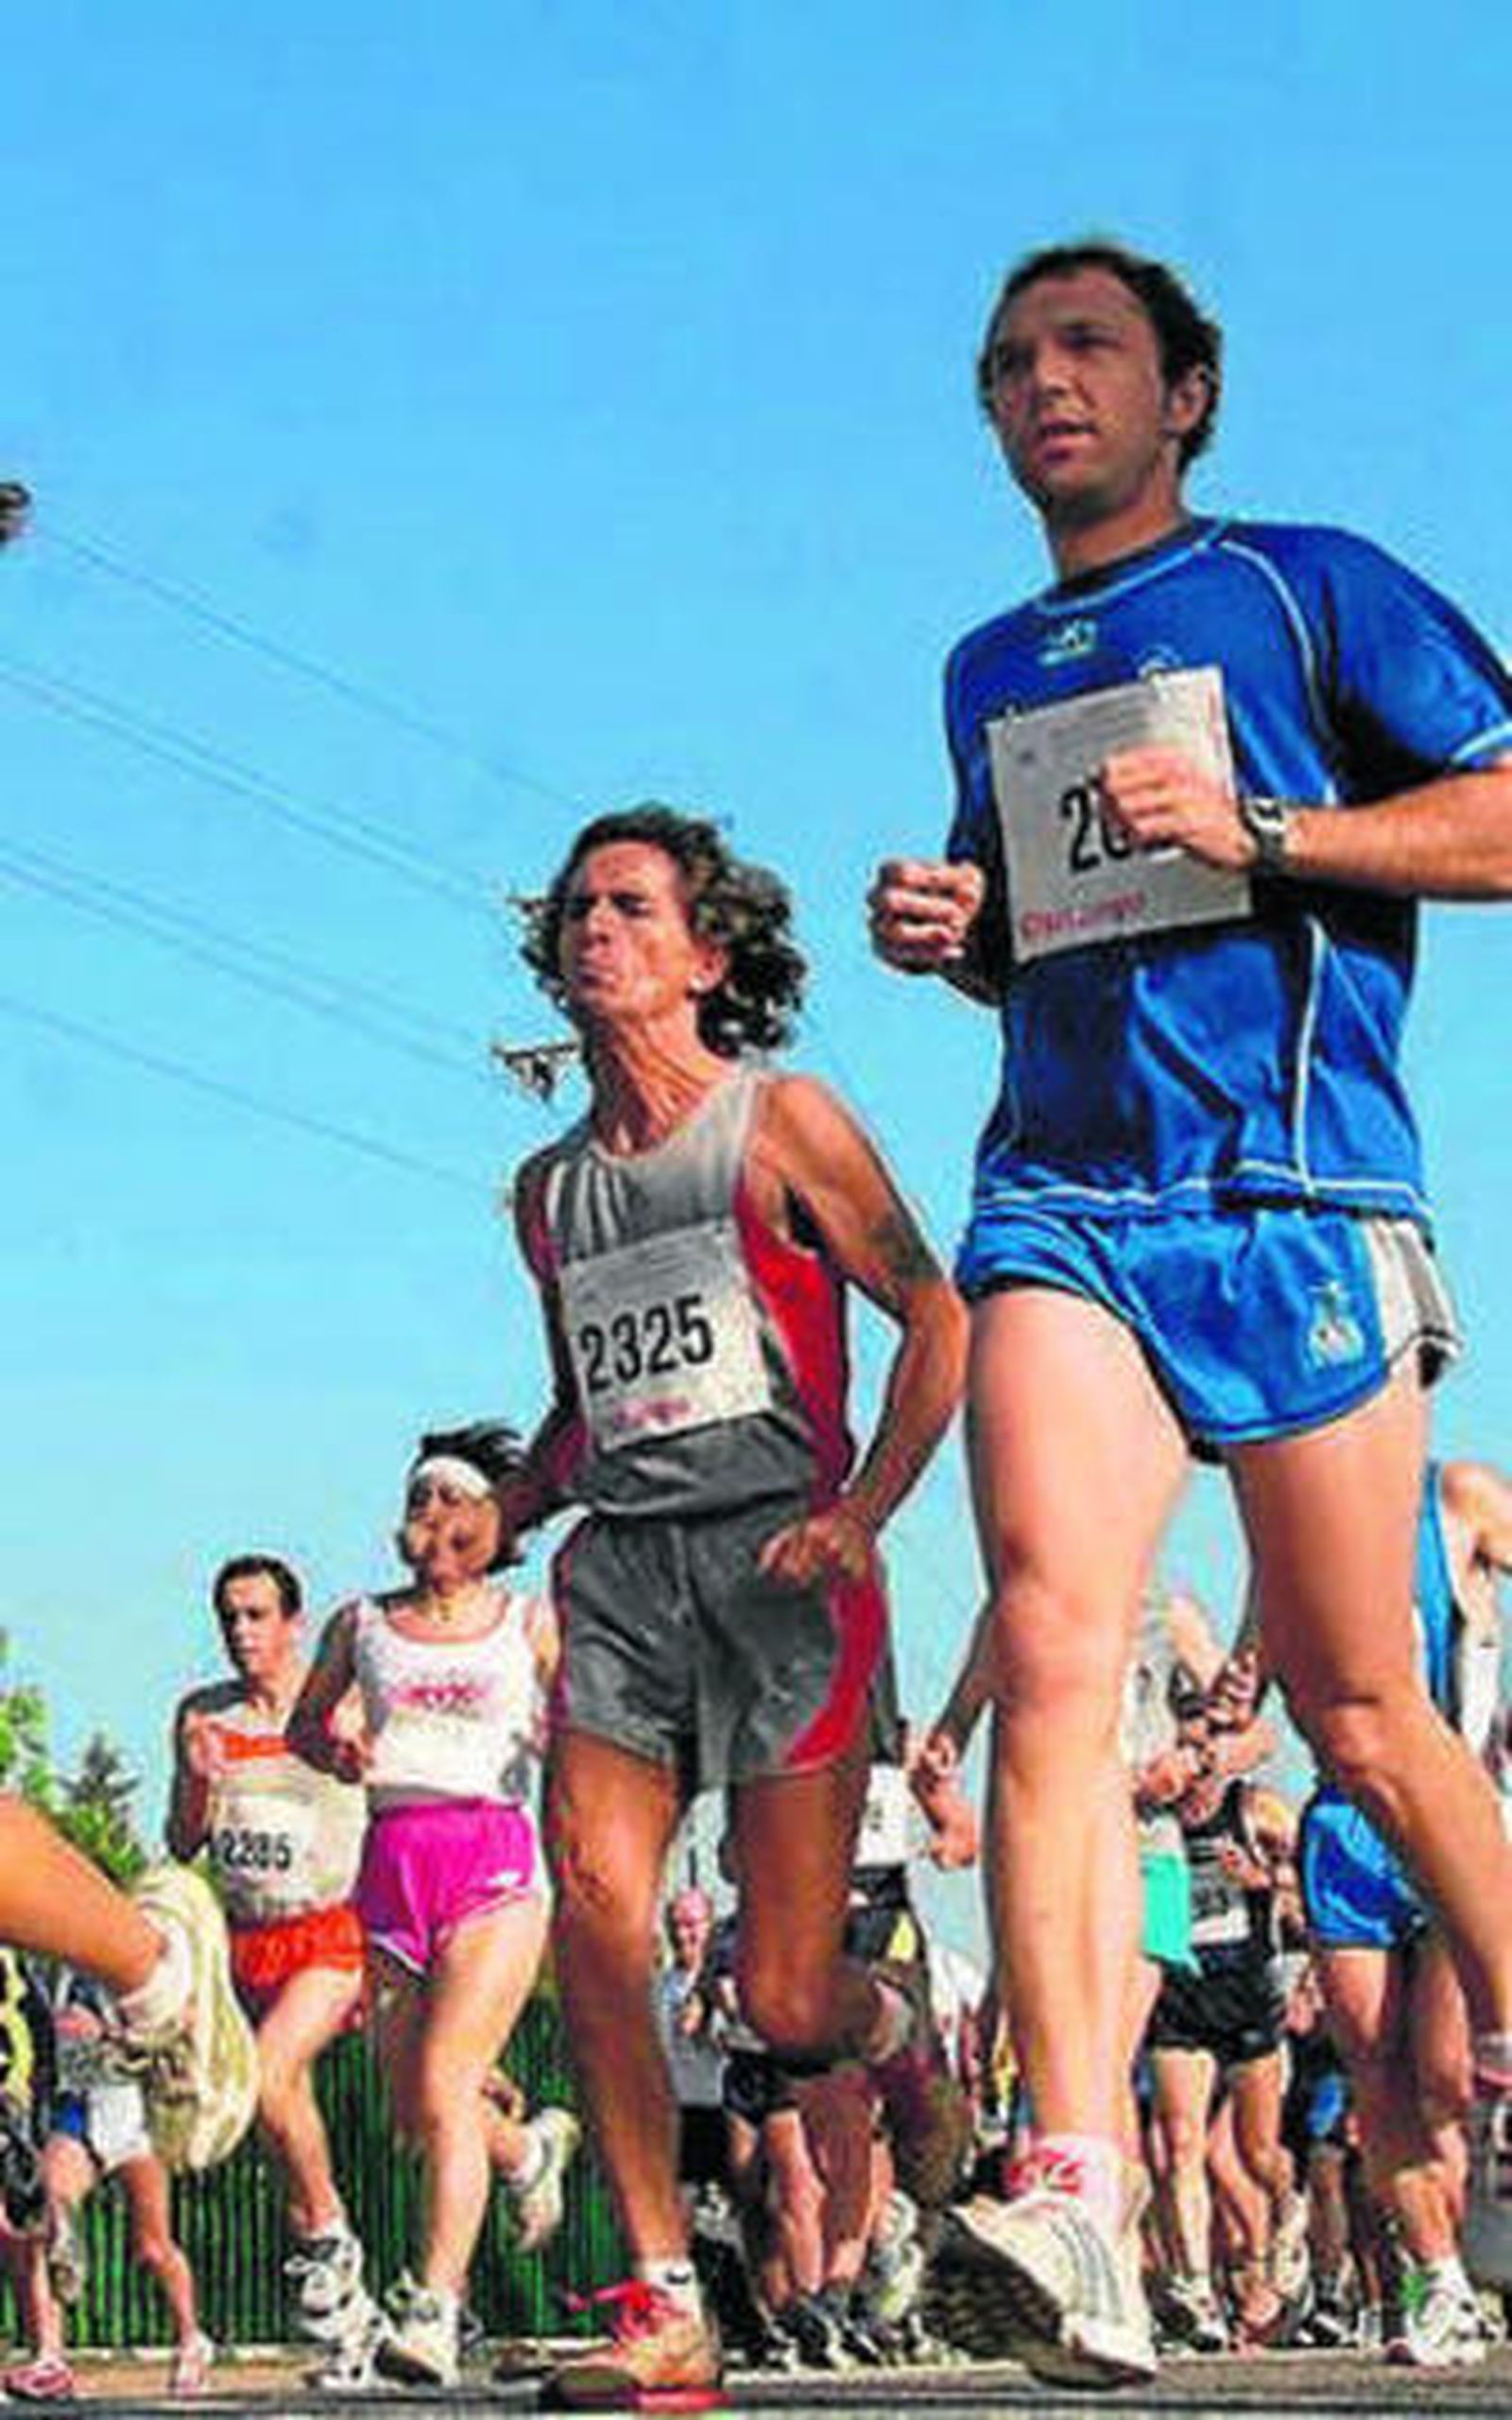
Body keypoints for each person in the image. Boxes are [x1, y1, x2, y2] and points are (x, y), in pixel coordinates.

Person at [868, 235, 1512, 2387]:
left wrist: (1264, 822)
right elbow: (1043, 920)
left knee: (1361, 1717)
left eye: (1083, 349)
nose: (1039, 387)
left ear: (1184, 393)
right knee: (1053, 1636)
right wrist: (955, 924)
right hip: (1060, 1195)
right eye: (1001, 364)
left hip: (1294, 1185)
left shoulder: (1307, 585)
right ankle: (1071, 2183)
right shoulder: (983, 662)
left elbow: (1504, 810)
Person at [502, 804, 969, 2407]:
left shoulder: (788, 1124)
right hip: (627, 1576)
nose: (593, 930)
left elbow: (933, 1315)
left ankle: (899, 2036)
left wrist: (862, 1513)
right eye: (576, 909)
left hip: (787, 1568)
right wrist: (510, 1500)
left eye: (629, 906)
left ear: (707, 956)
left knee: (781, 1998)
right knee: (596, 1909)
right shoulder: (546, 1195)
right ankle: (661, 2297)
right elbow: (586, 1416)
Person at [289, 1425, 577, 2392]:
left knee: (450, 2079)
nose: (436, 1518)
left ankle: (434, 2309)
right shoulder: (357, 1624)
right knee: (416, 2105)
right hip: (392, 1864)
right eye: (421, 1502)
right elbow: (305, 1723)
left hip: (491, 1857)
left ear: (494, 1526)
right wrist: (334, 1749)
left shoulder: (526, 1619)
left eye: (457, 1502)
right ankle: (529, 2144)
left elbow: (586, 1721)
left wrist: (562, 1741)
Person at [1299, 1457, 1512, 2365]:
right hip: (1345, 1827)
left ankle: (1475, 2242)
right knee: (1374, 2070)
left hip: (1452, 1805)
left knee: (1449, 2074)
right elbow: (1264, 1655)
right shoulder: (1294, 1496)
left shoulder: (1457, 1497)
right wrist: (1224, 1733)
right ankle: (1439, 2283)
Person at [167, 1553, 376, 2373]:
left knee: (270, 2074)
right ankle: (352, 2323)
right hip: (246, 1938)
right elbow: (185, 1844)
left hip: (332, 1929)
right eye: (229, 1616)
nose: (241, 1632)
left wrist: (363, 1755)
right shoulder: (201, 1715)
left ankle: (329, 2240)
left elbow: (390, 1787)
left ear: (294, 1622)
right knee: (284, 2117)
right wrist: (195, 1780)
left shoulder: (337, 1705)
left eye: (257, 1615)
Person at [0, 1808, 254, 2180]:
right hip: (86, 2070)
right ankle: (161, 1984)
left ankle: (157, 1979)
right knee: (96, 2138)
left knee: (98, 2133)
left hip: (82, 2072)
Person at [3, 1967, 214, 2402]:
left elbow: (184, 2020)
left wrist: (110, 2033)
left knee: (153, 2247)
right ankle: (50, 2356)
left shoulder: (128, 1956)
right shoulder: (47, 1970)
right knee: (44, 2215)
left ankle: (192, 2340)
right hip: (76, 2110)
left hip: (132, 2111)